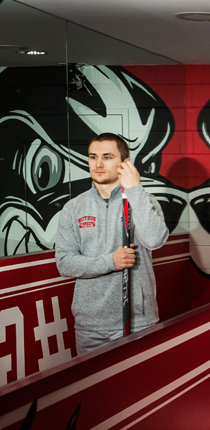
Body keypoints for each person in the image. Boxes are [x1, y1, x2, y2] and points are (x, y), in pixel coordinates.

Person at [55, 133, 169, 354]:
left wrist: (134, 189)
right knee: (92, 387)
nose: (98, 164)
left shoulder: (143, 200)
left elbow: (154, 240)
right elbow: (65, 263)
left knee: (141, 386)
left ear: (124, 163)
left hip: (138, 321)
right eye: (92, 157)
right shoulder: (74, 208)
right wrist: (111, 262)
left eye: (107, 157)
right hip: (91, 326)